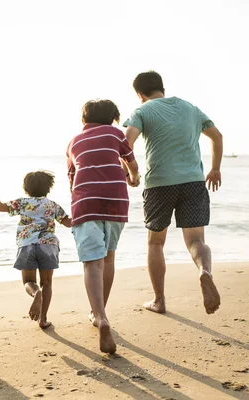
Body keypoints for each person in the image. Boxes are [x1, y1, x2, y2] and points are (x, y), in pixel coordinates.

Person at [122, 71, 223, 315]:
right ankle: (204, 271)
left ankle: (159, 300)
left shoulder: (143, 111)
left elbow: (125, 143)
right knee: (196, 240)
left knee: (156, 242)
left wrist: (132, 175)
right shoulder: (191, 108)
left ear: (139, 94)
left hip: (159, 184)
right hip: (193, 182)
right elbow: (216, 136)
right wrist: (215, 169)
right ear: (162, 88)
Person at [66, 99, 140, 354]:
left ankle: (100, 316)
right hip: (116, 201)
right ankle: (100, 313)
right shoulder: (115, 133)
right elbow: (131, 162)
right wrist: (134, 178)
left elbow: (72, 179)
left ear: (84, 119)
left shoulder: (73, 143)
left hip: (87, 203)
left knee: (91, 262)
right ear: (112, 118)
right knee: (108, 259)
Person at [0, 171, 71, 329]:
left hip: (27, 245)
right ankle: (42, 319)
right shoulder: (53, 205)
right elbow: (69, 222)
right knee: (47, 283)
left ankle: (36, 293)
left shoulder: (22, 203)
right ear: (49, 188)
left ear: (26, 189)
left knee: (29, 281)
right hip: (48, 245)